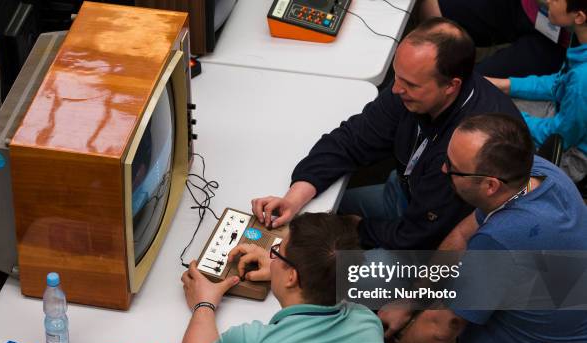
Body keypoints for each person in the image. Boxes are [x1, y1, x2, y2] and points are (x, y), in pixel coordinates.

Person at [379, 113, 587, 343]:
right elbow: (464, 235)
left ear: (490, 185)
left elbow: (441, 327)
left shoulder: (505, 238)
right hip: (504, 338)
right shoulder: (537, 175)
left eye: (453, 169)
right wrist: (410, 301)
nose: (443, 168)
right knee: (386, 335)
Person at [251, 18, 520, 251]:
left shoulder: (467, 148)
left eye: (409, 84)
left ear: (451, 85)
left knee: (323, 276)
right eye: (397, 76)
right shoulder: (411, 91)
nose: (395, 89)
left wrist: (358, 228)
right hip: (404, 194)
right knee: (311, 219)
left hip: (431, 245)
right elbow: (353, 139)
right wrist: (294, 197)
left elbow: (418, 237)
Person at [180, 213, 401, 343]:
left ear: (292, 277)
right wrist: (283, 270)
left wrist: (204, 303)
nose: (271, 259)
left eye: (276, 253)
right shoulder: (366, 320)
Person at [487, 0, 587, 182]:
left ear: (579, 16)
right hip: (563, 117)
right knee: (492, 104)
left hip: (573, 155)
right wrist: (506, 85)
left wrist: (512, 116)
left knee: (489, 137)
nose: (547, 1)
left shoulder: (582, 79)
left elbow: (561, 135)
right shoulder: (581, 48)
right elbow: (559, 83)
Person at [417, 0, 570, 78]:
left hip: (560, 41)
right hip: (524, 7)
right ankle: (426, 68)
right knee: (431, 7)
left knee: (473, 79)